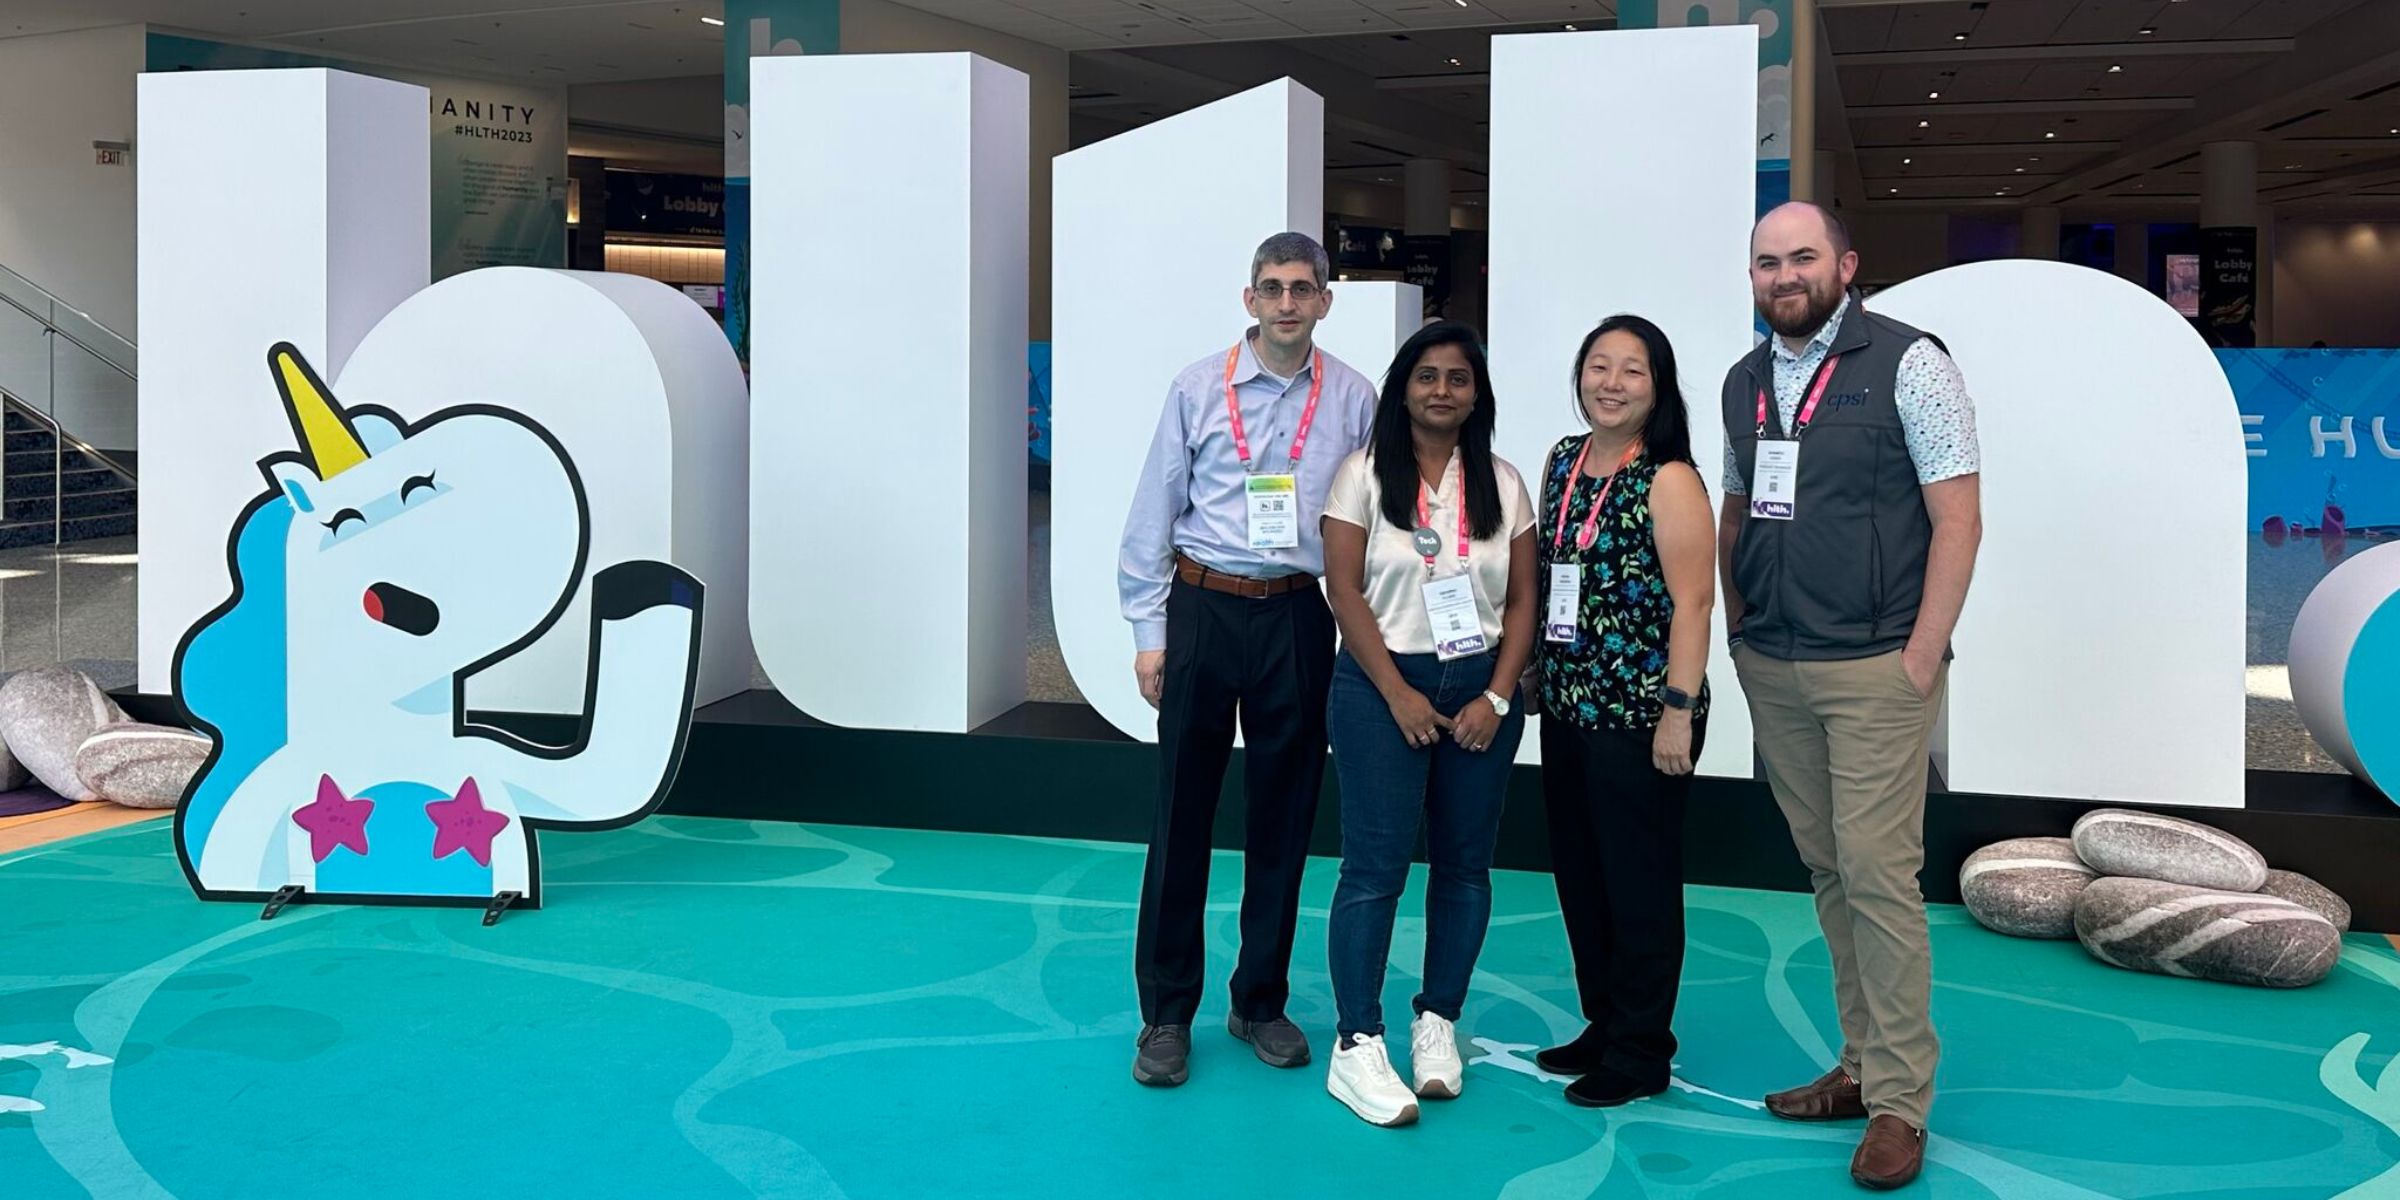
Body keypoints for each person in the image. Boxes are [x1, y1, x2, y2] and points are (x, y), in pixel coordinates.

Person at [1720, 202, 1982, 1190]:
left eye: (1801, 258)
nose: (1784, 276)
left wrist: (1920, 656)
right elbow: (1742, 502)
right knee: (1829, 870)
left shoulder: (1912, 363)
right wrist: (1739, 628)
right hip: (1778, 664)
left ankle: (1900, 1103)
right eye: (1766, 263)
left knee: (1878, 874)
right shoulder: (1745, 383)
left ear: (1845, 264)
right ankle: (1861, 1063)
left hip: (1877, 667)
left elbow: (1958, 519)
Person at [1118, 232, 1378, 1088]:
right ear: (1250, 299)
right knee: (1180, 815)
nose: (1288, 303)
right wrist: (1148, 634)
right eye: (1273, 288)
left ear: (1325, 302)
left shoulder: (1351, 397)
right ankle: (1164, 1014)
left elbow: (1371, 516)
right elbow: (1154, 511)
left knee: (1284, 816)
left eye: (1304, 288)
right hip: (1201, 608)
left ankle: (1259, 1000)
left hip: (1297, 617)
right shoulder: (1198, 387)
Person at [1317, 321, 1537, 1127]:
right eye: (1426, 376)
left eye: (1457, 378)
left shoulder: (1504, 483)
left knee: (1465, 866)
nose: (1442, 390)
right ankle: (1357, 1043)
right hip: (1383, 686)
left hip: (1480, 686)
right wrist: (1399, 696)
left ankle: (1436, 1020)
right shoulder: (1363, 476)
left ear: (1477, 394)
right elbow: (1344, 591)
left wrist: (1498, 698)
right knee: (1374, 867)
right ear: (1402, 388)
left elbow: (1522, 603)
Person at [1530, 314, 1716, 1108]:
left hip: (1643, 715)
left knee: (1638, 882)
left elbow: (1695, 602)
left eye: (1631, 371)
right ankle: (1604, 1021)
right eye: (1598, 366)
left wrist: (1677, 708)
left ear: (1658, 386)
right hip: (1571, 709)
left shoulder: (1668, 476)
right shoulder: (1564, 460)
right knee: (1581, 875)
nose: (1610, 383)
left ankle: (1642, 1050)